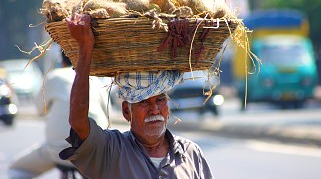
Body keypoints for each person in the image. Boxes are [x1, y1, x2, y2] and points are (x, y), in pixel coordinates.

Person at [59, 13, 214, 179]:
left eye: (160, 100)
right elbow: (78, 122)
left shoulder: (191, 153)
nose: (154, 110)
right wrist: (85, 47)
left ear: (167, 108)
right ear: (127, 111)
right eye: (144, 102)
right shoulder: (111, 150)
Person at [8, 51, 110, 179]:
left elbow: (40, 109)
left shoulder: (54, 76)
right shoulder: (96, 80)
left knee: (17, 169)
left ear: (62, 61)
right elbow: (107, 117)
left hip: (58, 151)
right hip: (94, 153)